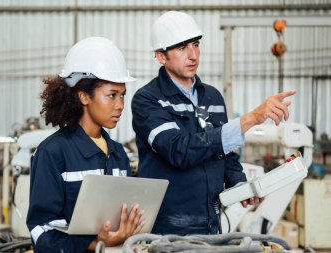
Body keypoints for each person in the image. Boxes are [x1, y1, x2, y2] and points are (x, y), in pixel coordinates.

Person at [131, 11, 296, 235]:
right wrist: (250, 119)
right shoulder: (148, 99)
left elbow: (223, 152)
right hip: (166, 228)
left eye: (195, 45)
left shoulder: (212, 97)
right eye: (182, 48)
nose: (193, 56)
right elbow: (178, 150)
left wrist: (239, 184)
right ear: (161, 56)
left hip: (211, 223)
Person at [26, 37, 145, 253]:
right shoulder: (52, 153)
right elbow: (40, 230)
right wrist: (93, 244)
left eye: (122, 96)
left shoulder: (119, 154)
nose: (120, 106)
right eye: (111, 95)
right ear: (83, 96)